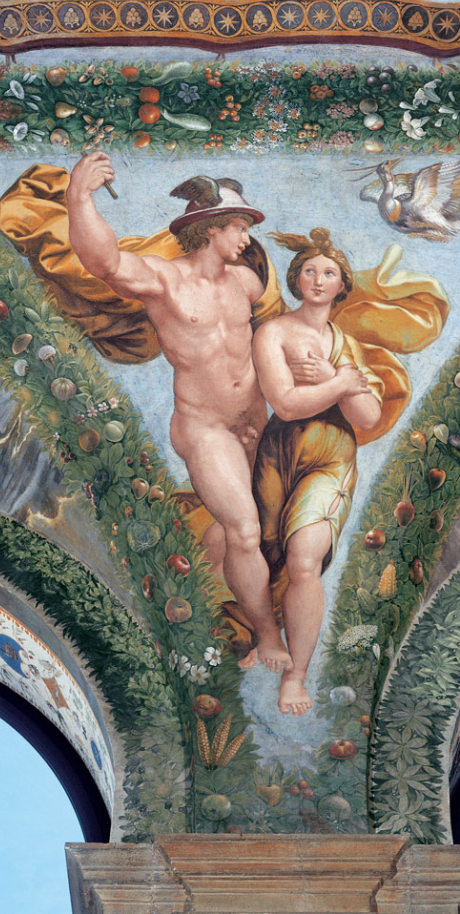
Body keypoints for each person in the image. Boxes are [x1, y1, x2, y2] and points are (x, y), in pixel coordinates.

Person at [65, 151, 294, 675]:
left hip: (255, 422)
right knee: (243, 531)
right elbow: (105, 263)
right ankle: (267, 636)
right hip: (205, 428)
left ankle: (194, 602)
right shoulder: (165, 280)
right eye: (239, 227)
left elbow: (276, 338)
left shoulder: (246, 283)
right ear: (210, 228)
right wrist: (80, 194)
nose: (247, 238)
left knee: (255, 530)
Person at [249, 230, 383, 716]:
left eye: (329, 273)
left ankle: (296, 675)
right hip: (280, 454)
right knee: (267, 551)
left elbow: (368, 418)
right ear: (297, 278)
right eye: (310, 271)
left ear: (342, 284)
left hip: (331, 459)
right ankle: (262, 634)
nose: (319, 280)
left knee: (304, 560)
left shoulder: (347, 346)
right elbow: (285, 405)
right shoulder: (274, 333)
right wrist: (342, 384)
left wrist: (333, 380)